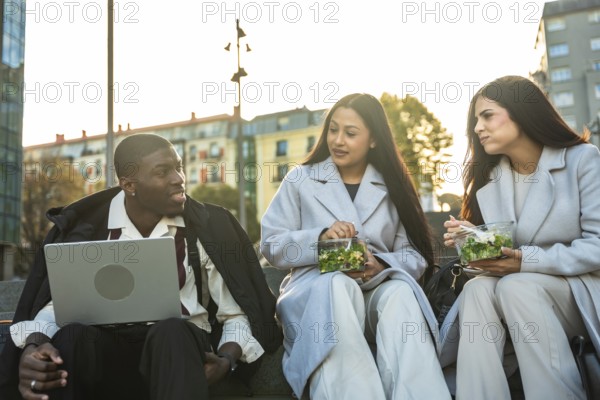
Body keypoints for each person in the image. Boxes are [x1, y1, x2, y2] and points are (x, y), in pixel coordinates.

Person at [0, 133, 281, 400]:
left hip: (178, 352)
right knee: (72, 336)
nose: (179, 179)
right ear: (129, 185)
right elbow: (59, 307)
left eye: (179, 167)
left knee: (171, 330)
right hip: (107, 352)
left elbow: (235, 314)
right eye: (162, 172)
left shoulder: (206, 228)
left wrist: (226, 359)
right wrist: (35, 345)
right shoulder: (89, 228)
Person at [261, 93, 451, 399]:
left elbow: (414, 256)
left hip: (374, 290)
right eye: (333, 130)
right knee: (338, 283)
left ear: (374, 140)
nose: (337, 140)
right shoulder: (301, 180)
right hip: (317, 290)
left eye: (350, 133)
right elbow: (271, 246)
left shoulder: (394, 187)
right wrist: (319, 236)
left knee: (400, 292)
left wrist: (381, 265)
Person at [443, 75, 600, 399]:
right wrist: (475, 242)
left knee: (517, 285)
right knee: (476, 291)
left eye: (487, 115)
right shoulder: (490, 182)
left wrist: (523, 262)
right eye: (475, 120)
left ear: (522, 112)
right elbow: (507, 256)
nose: (477, 128)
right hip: (521, 291)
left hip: (582, 292)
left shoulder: (583, 160)